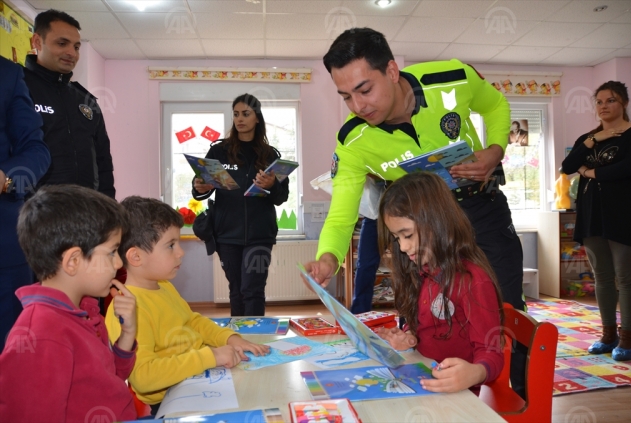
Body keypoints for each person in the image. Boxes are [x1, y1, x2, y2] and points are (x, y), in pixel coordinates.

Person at [303, 28, 526, 397]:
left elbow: (496, 105)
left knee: (506, 312)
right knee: (425, 319)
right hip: (420, 234)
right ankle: (440, 392)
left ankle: (517, 402)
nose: (358, 106)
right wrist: (327, 258)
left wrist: (496, 149)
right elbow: (342, 214)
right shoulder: (353, 140)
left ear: (391, 71)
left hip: (480, 211)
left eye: (365, 89)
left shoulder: (451, 77)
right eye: (345, 96)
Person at [105, 196, 270, 414]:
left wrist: (229, 338)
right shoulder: (127, 309)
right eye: (171, 245)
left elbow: (193, 322)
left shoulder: (164, 287)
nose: (181, 252)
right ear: (136, 256)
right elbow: (144, 377)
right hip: (170, 401)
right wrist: (211, 356)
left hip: (199, 381)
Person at [0, 185, 137, 422]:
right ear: (73, 261)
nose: (118, 264)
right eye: (112, 252)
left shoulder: (83, 311)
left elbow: (108, 381)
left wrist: (127, 335)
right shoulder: (42, 336)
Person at [376, 172, 504, 394]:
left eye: (407, 235)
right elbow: (427, 327)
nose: (403, 248)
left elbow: (492, 353)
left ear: (437, 222)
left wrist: (475, 372)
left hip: (459, 397)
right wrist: (409, 337)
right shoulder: (421, 271)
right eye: (397, 238)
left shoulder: (473, 281)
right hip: (425, 380)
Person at [561, 81, 631, 361]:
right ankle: (609, 336)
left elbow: (630, 167)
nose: (604, 106)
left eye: (611, 100)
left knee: (627, 278)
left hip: (625, 215)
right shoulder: (589, 137)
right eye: (599, 101)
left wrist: (591, 172)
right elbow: (568, 166)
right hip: (592, 214)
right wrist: (592, 142)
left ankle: (629, 339)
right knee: (602, 277)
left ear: (624, 104)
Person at [192, 93, 290, 316]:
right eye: (236, 114)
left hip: (260, 235)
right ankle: (240, 342)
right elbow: (201, 186)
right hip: (226, 234)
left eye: (246, 114)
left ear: (257, 117)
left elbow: (281, 197)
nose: (240, 119)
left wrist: (272, 185)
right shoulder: (219, 151)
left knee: (253, 290)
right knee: (236, 290)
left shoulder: (269, 155)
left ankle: (256, 339)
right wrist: (199, 186)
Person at [23, 9, 116, 198]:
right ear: (37, 42)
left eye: (76, 47)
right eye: (62, 43)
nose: (71, 53)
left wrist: (109, 208)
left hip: (87, 211)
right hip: (34, 213)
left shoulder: (86, 101)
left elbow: (103, 163)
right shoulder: (18, 89)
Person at [0, 57, 51, 351]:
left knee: (11, 348)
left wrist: (6, 178)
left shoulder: (7, 74)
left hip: (4, 247)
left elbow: (35, 150)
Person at [351, 217, 381, 314]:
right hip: (373, 217)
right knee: (365, 266)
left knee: (408, 266)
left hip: (405, 212)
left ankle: (410, 323)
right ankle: (359, 317)